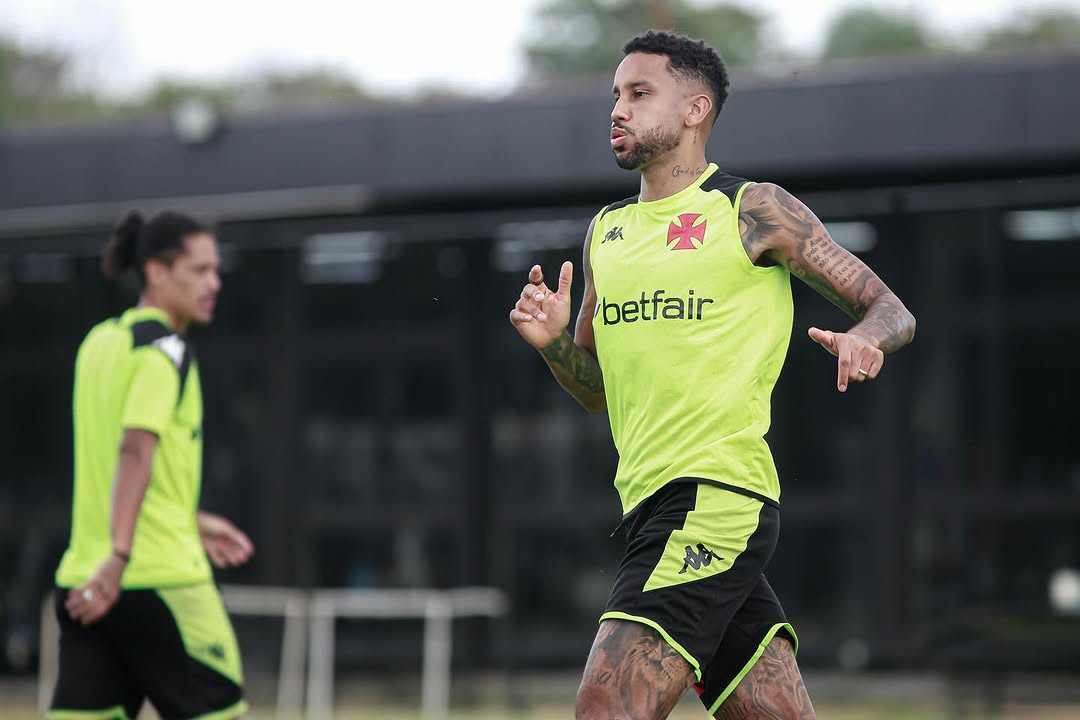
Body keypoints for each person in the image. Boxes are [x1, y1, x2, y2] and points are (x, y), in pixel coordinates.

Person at [510, 30, 916, 720]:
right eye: (616, 94)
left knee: (606, 705)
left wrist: (865, 339)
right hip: (648, 503)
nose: (618, 109)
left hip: (714, 497)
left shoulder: (753, 209)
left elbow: (890, 308)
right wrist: (552, 344)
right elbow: (599, 391)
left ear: (696, 110)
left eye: (640, 93)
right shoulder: (607, 231)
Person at [49, 211, 255, 720]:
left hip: (85, 581)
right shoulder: (166, 350)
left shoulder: (99, 345)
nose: (214, 283)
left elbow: (113, 467)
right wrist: (120, 558)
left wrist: (189, 519)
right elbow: (135, 451)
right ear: (157, 272)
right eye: (200, 270)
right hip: (160, 581)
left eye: (216, 270)